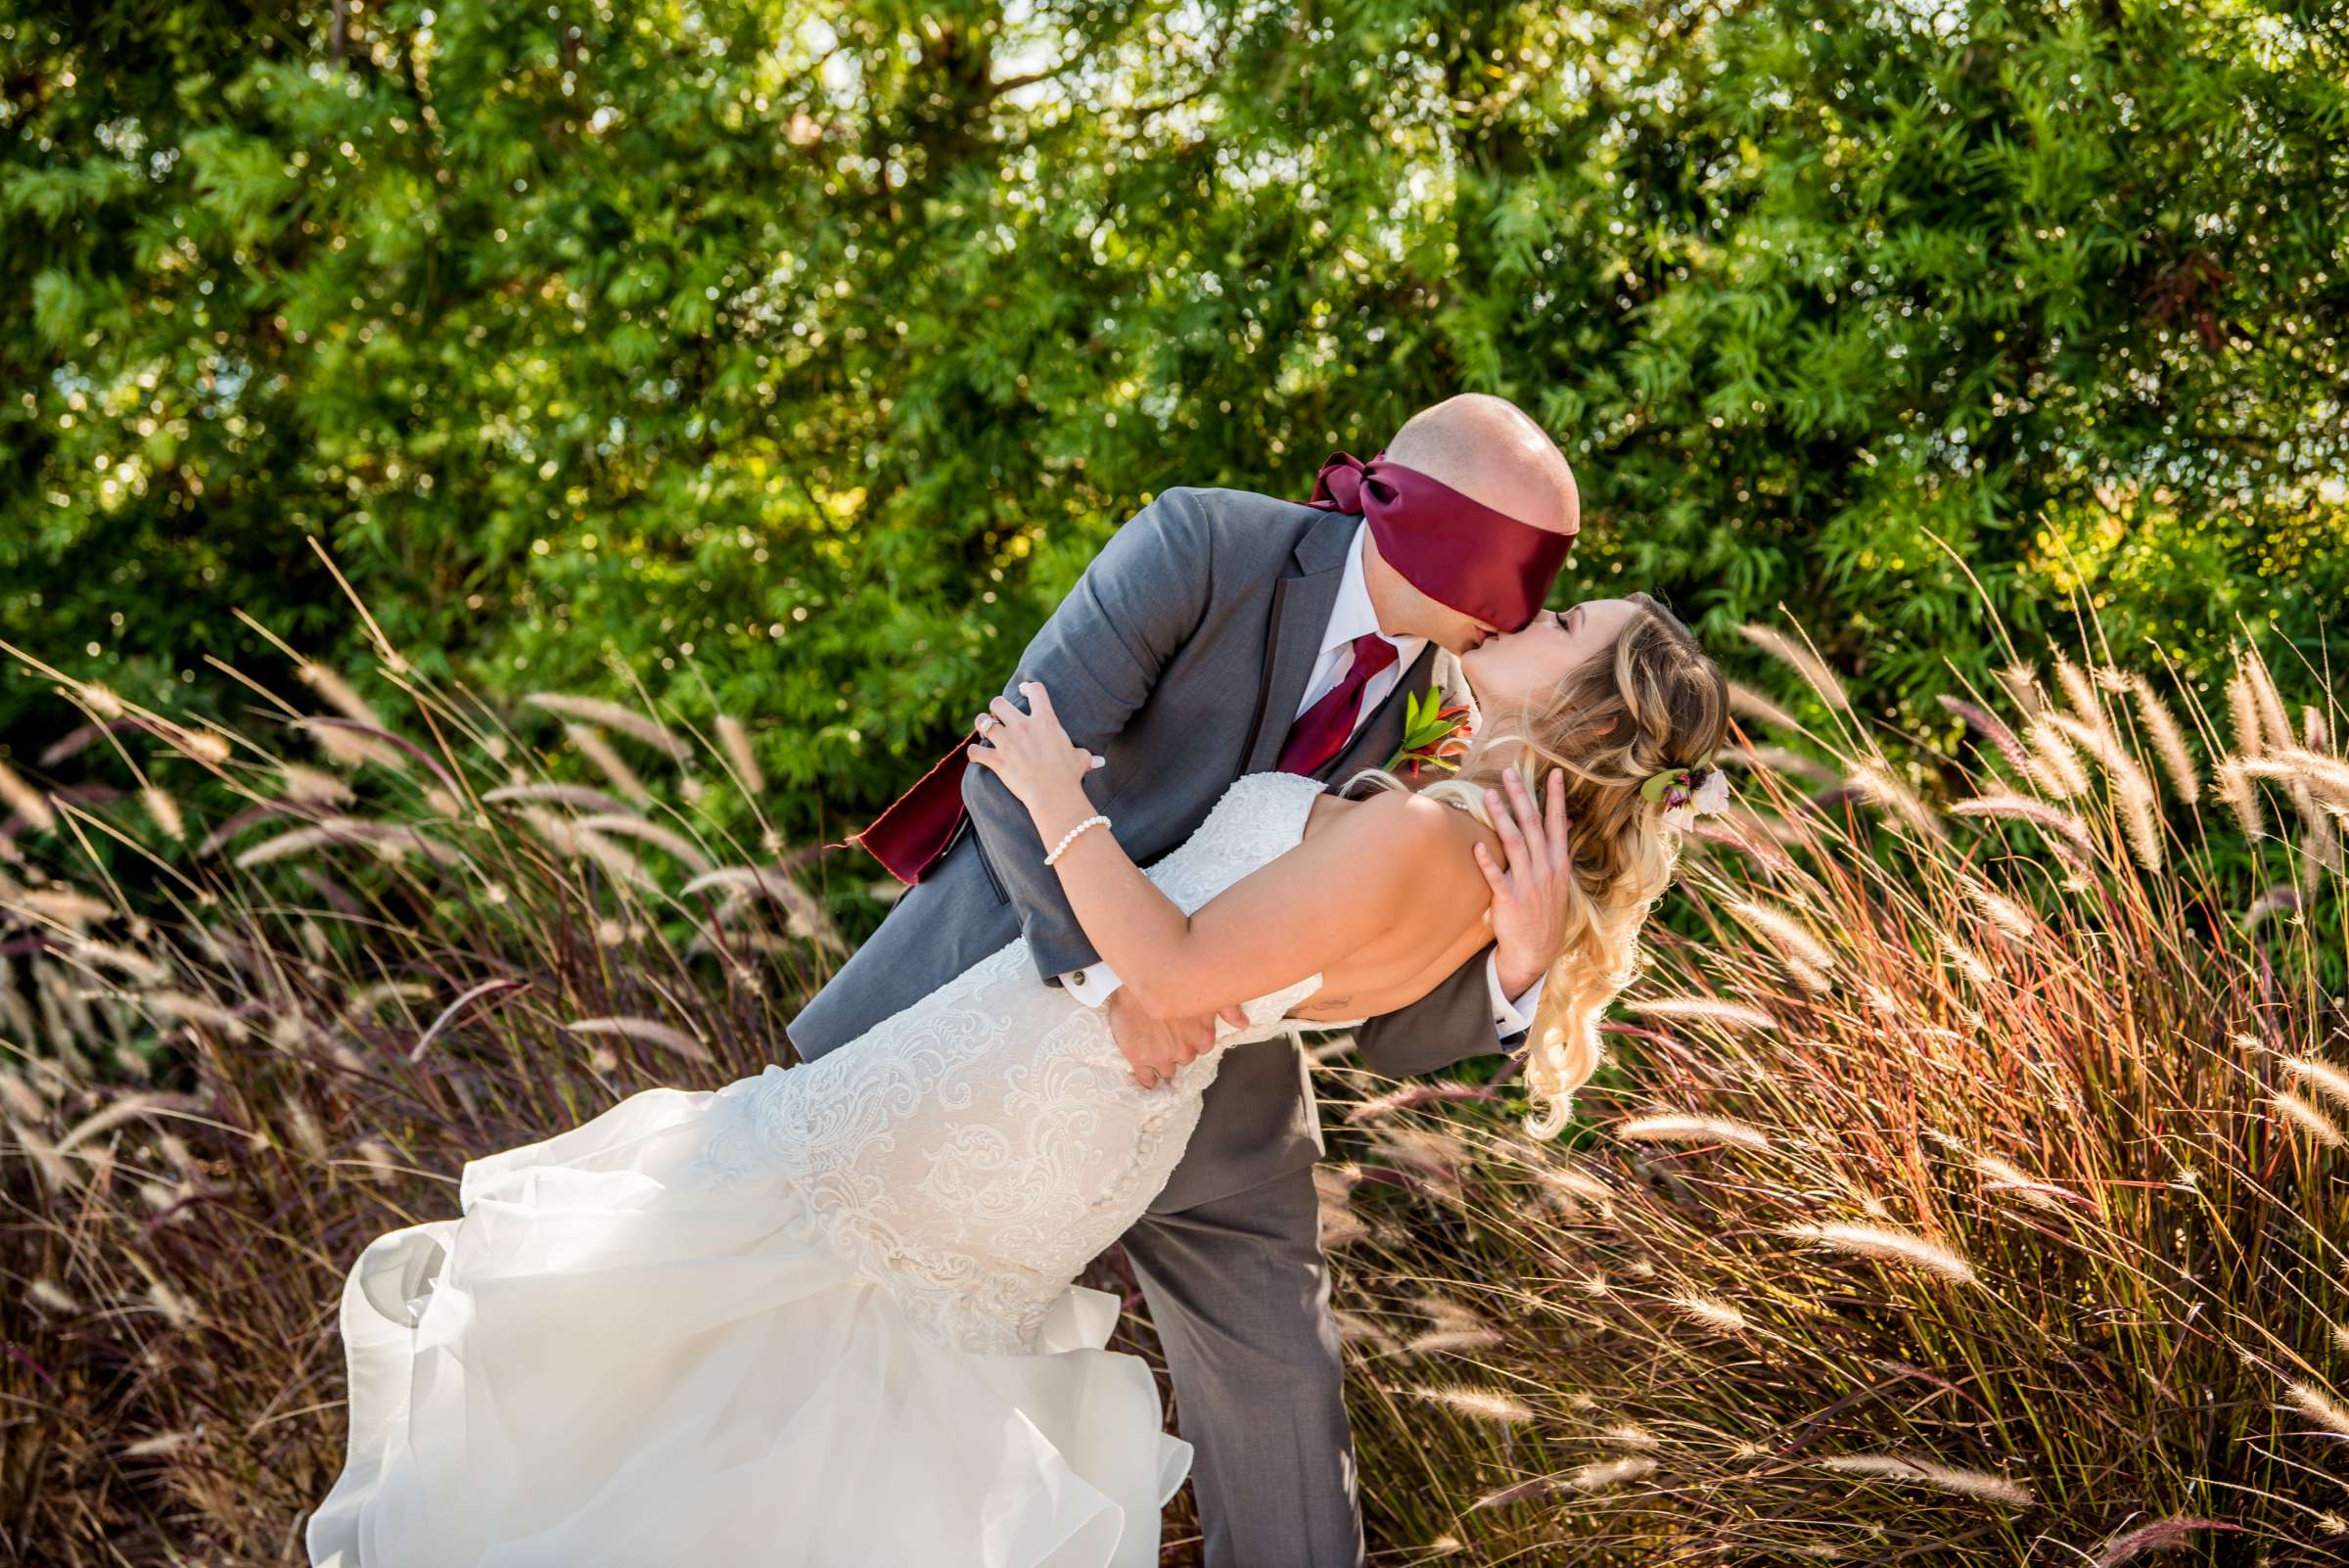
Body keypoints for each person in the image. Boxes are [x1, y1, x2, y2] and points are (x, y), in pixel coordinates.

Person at [789, 392, 1586, 1565]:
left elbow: (1395, 1036)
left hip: (1222, 1106)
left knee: (1294, 1464)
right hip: (980, 1024)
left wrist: (1518, 966)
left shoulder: (1460, 717)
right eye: (1525, 574)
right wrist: (1111, 989)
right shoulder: (1204, 545)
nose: (1535, 611)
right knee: (819, 1360)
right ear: (1446, 542)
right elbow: (1011, 767)